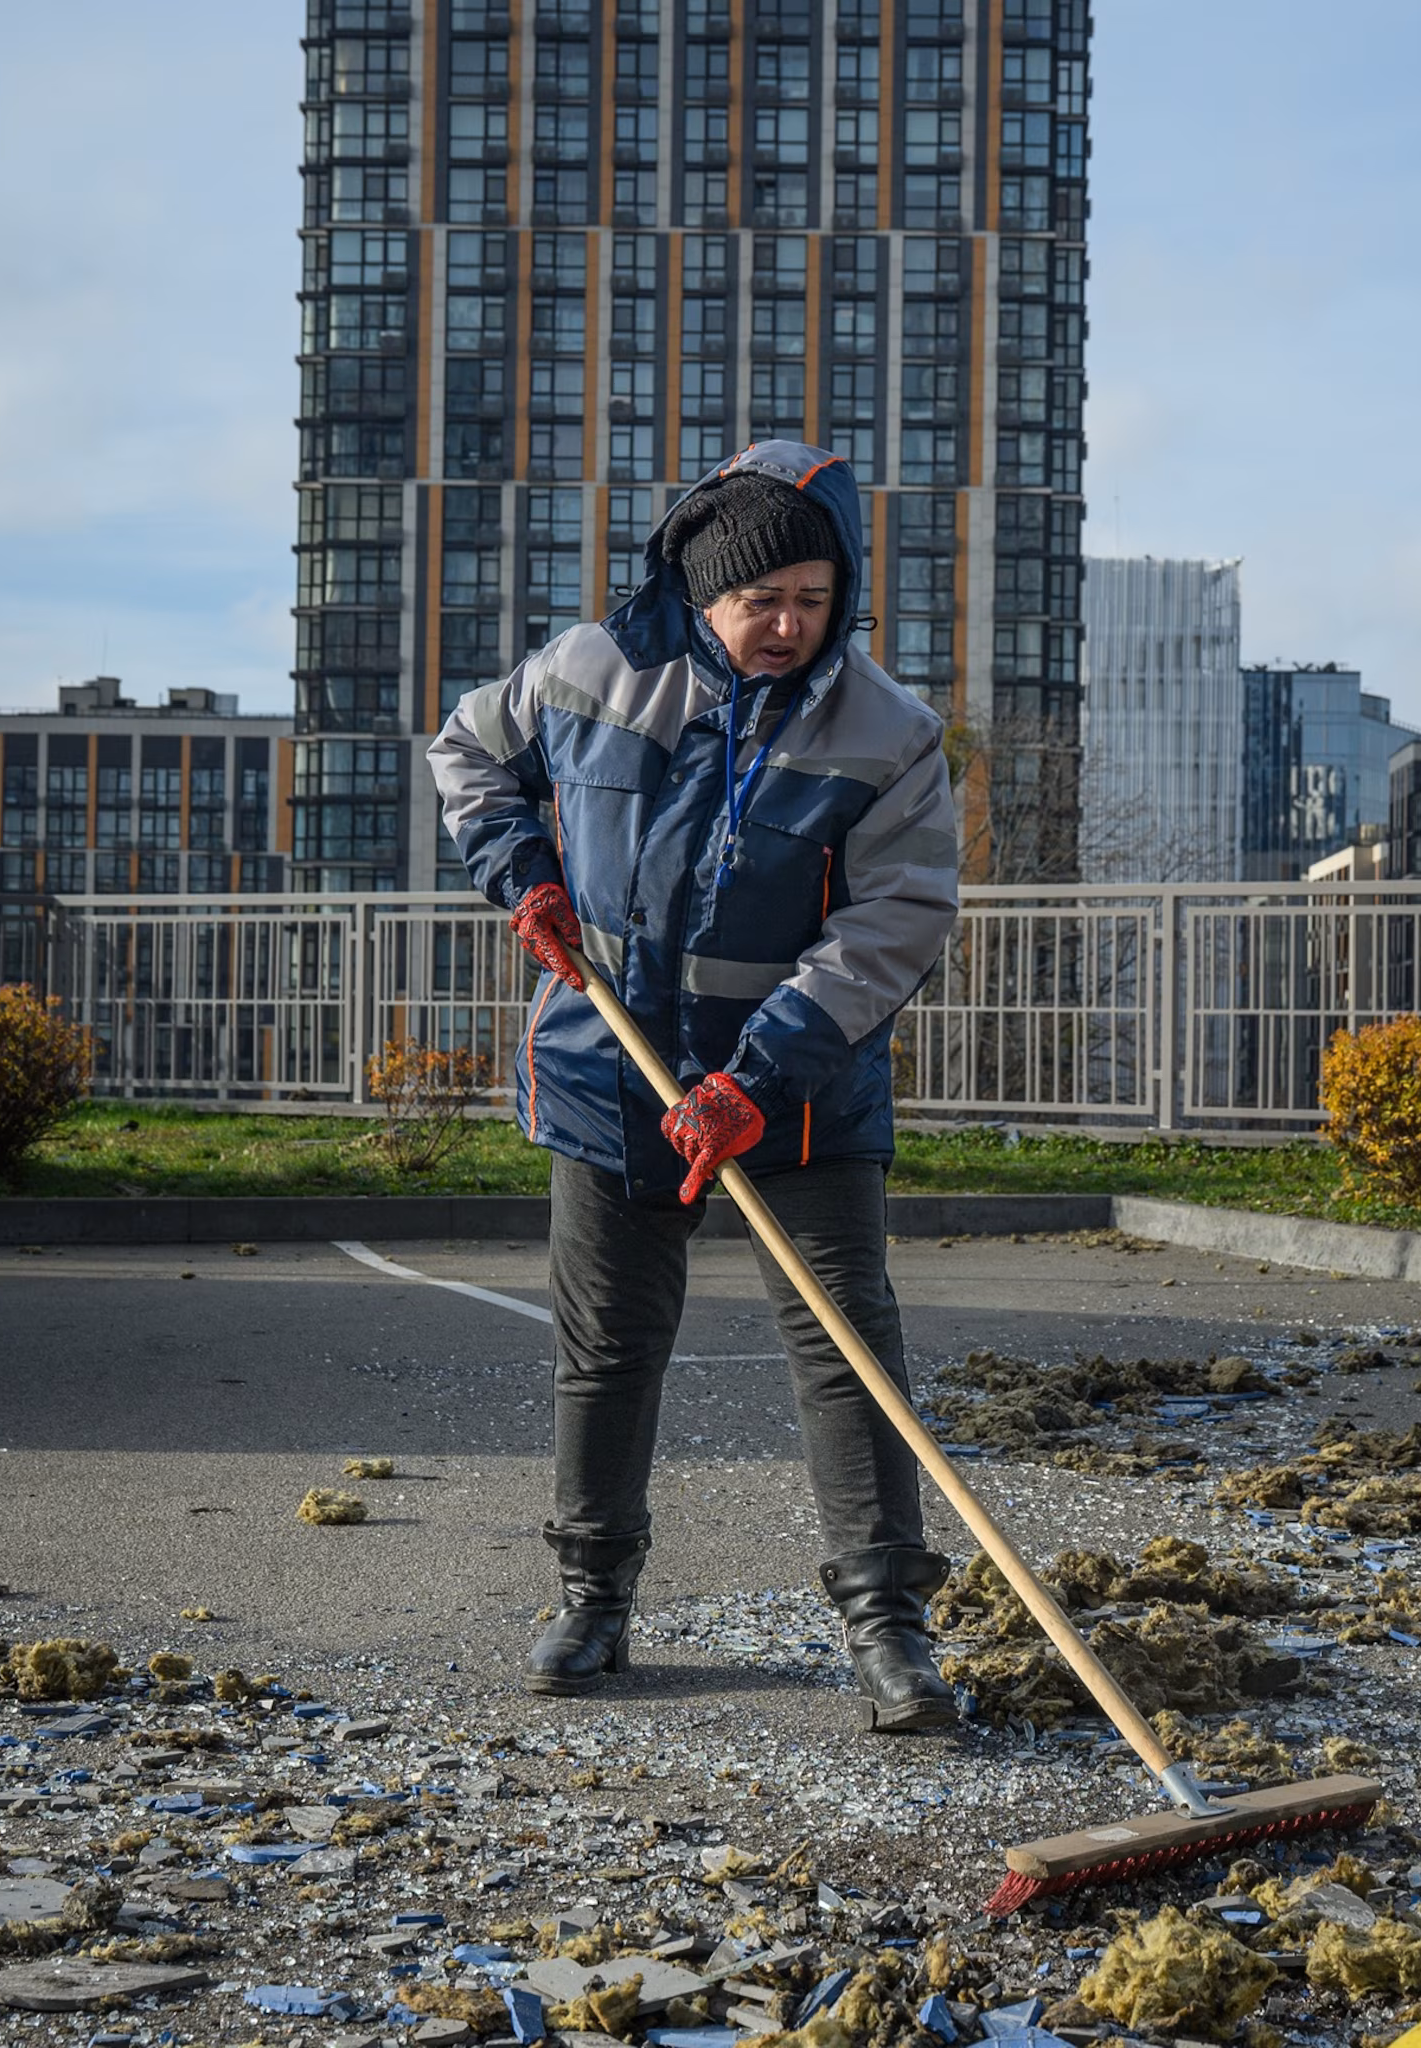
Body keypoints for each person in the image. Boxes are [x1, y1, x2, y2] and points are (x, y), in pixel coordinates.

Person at [427, 442, 963, 1731]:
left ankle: (889, 1627)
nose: (786, 625)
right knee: (609, 1347)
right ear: (701, 585)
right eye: (760, 598)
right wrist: (521, 873)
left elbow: (899, 916)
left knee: (847, 1350)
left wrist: (759, 1076)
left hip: (801, 1087)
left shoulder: (886, 732)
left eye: (814, 600)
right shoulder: (584, 674)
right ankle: (591, 1598)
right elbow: (466, 751)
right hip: (610, 1072)